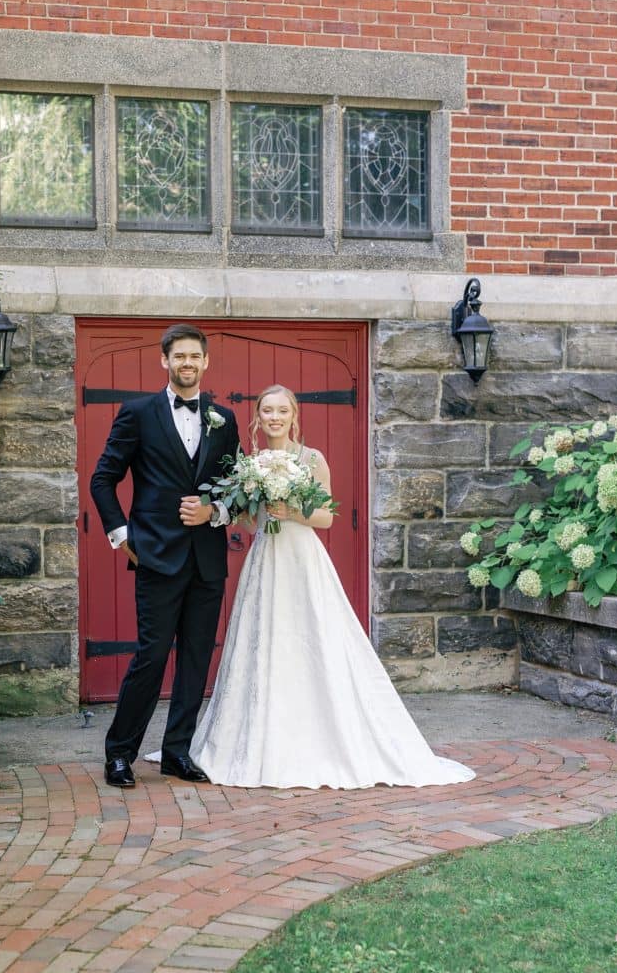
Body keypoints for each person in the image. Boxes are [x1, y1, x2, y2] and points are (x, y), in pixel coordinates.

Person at [190, 386, 475, 791]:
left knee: (312, 639)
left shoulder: (312, 460)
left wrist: (291, 510)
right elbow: (248, 524)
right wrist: (258, 511)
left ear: (293, 416)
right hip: (266, 558)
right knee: (265, 640)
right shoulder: (248, 464)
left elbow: (326, 518)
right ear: (257, 416)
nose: (275, 417)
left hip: (303, 560)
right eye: (267, 410)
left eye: (282, 410)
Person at [89, 323, 240, 789]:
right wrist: (122, 536)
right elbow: (103, 479)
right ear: (165, 361)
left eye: (195, 356)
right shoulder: (137, 413)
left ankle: (177, 752)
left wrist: (214, 511)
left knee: (196, 659)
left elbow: (238, 487)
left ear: (206, 362)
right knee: (151, 658)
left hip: (207, 559)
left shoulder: (225, 418)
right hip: (155, 556)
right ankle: (119, 754)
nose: (187, 364)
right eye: (179, 357)